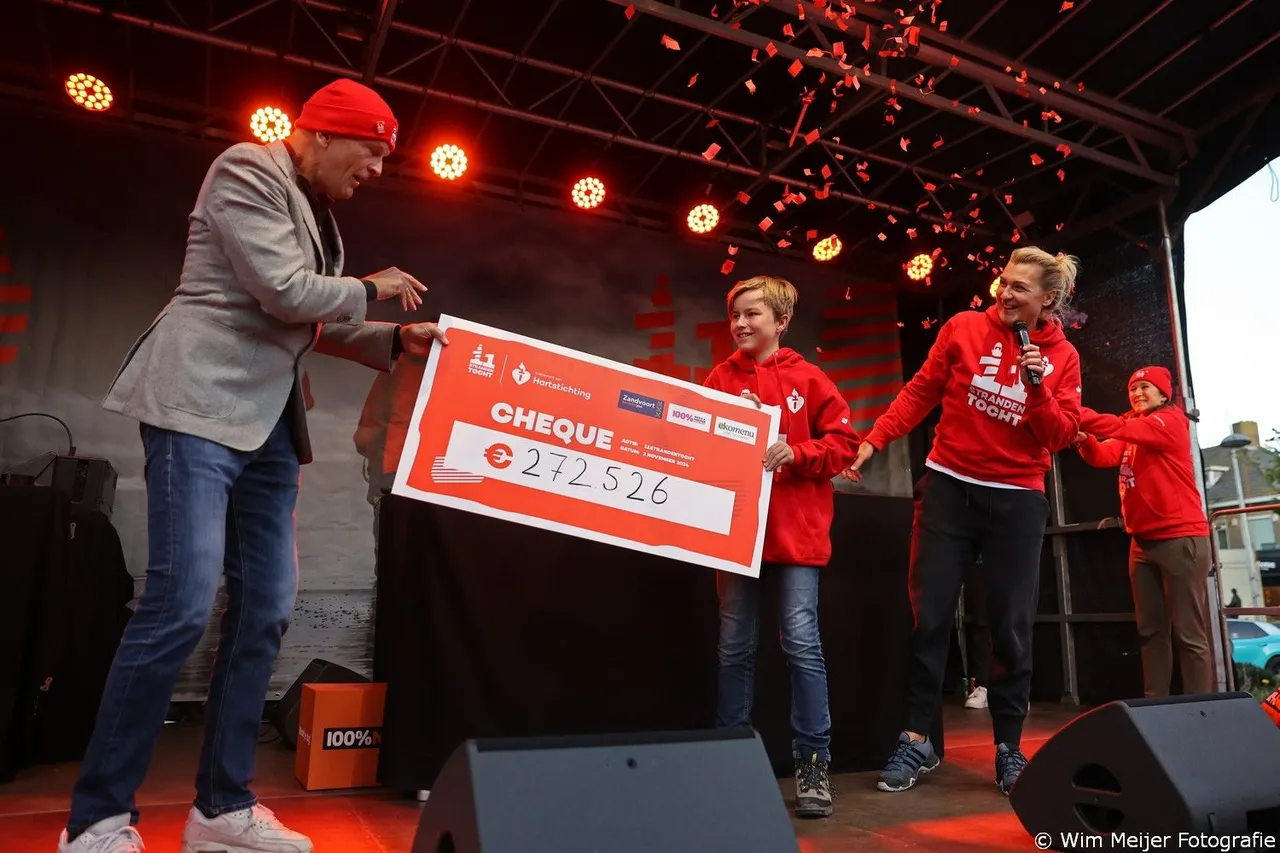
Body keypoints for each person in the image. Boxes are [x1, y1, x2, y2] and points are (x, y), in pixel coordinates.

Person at [59, 79, 450, 853]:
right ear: (324, 133)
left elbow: (311, 322)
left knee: (267, 606)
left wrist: (391, 338)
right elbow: (284, 292)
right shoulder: (246, 168)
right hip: (199, 406)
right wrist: (370, 286)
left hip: (270, 426)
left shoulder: (321, 217)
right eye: (371, 151)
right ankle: (96, 820)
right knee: (180, 602)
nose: (377, 169)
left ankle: (222, 807)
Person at [844, 247, 1083, 796]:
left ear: (1047, 299)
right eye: (1004, 280)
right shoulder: (963, 327)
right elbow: (920, 392)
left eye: (1020, 287)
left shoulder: (1062, 357)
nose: (1005, 292)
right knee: (928, 618)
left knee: (1010, 627)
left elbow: (1058, 436)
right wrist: (875, 439)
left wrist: (1037, 386)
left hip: (1017, 499)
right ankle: (916, 738)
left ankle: (1008, 747)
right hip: (948, 487)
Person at [703, 275, 860, 819]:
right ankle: (729, 757)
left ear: (781, 321)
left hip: (797, 537)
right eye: (735, 315)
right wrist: (732, 425)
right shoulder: (720, 378)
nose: (741, 323)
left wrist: (796, 452)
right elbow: (700, 445)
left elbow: (844, 445)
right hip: (735, 537)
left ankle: (813, 765)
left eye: (753, 314)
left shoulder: (809, 377)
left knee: (801, 645)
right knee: (733, 648)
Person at [1071, 366, 1214, 697]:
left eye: (1145, 387)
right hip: (1142, 542)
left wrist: (1077, 415)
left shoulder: (1170, 421)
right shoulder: (1134, 429)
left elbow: (1120, 428)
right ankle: (1155, 705)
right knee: (1151, 632)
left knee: (1189, 634)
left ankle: (1201, 710)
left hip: (1180, 538)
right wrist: (1083, 440)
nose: (1137, 393)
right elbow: (1103, 455)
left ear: (1164, 394)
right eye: (1133, 389)